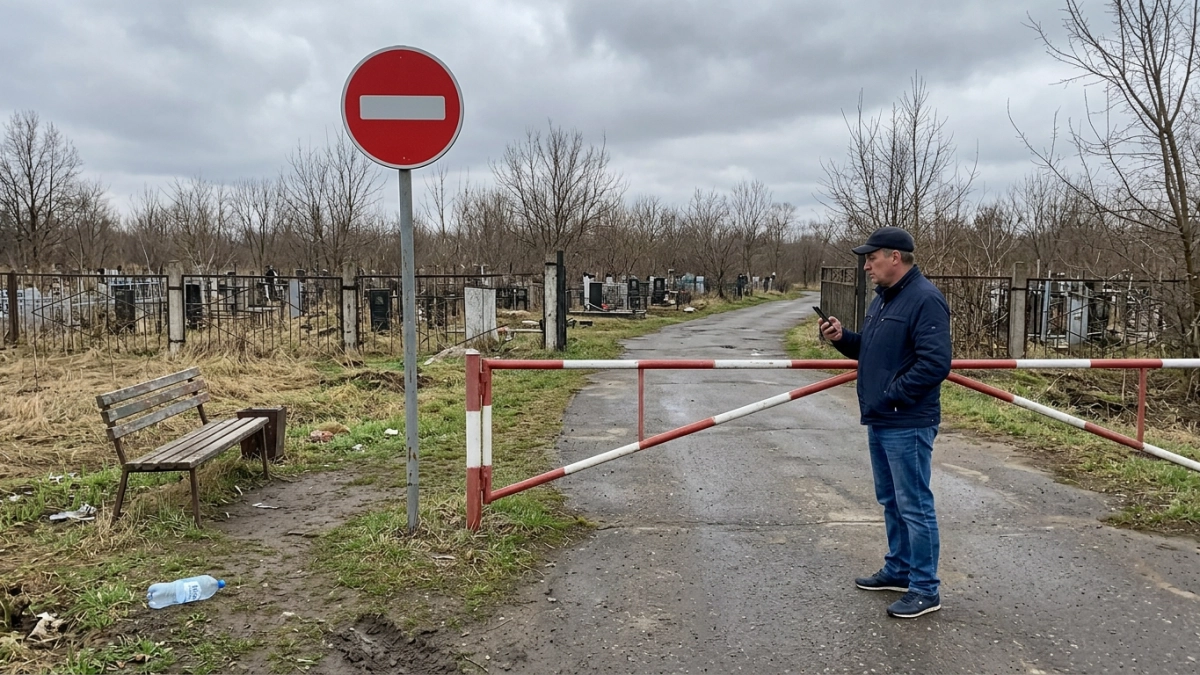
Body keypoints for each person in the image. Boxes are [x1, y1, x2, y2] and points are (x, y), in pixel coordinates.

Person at [817, 226, 951, 619]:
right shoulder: (885, 299)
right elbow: (873, 351)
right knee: (891, 500)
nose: (866, 267)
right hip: (882, 418)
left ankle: (925, 588)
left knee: (914, 504)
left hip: (906, 420)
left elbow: (934, 364)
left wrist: (892, 395)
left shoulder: (924, 299)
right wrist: (843, 338)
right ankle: (899, 569)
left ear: (895, 257)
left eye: (871, 259)